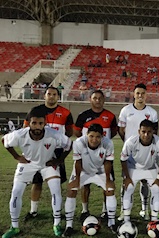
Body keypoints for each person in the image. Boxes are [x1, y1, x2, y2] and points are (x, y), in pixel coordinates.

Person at [2, 107, 72, 238]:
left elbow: (69, 144)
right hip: (28, 164)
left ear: (45, 123)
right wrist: (17, 157)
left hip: (47, 164)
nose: (37, 126)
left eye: (40, 123)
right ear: (29, 123)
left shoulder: (54, 134)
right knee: (16, 192)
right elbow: (5, 142)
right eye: (34, 123)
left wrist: (59, 160)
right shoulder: (20, 134)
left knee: (56, 190)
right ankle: (14, 226)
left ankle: (56, 224)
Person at [23, 86, 74, 221]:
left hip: (56, 151)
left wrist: (60, 148)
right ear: (44, 96)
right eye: (49, 94)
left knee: (56, 183)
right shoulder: (35, 111)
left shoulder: (65, 113)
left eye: (54, 94)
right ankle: (33, 211)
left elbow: (69, 132)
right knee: (37, 181)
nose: (51, 96)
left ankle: (56, 211)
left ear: (58, 97)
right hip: (37, 150)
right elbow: (25, 128)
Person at [62, 123, 117, 237]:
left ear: (102, 136)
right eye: (91, 136)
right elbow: (78, 162)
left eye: (97, 137)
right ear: (86, 134)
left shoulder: (108, 143)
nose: (94, 139)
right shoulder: (79, 143)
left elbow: (108, 162)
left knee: (110, 189)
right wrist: (77, 179)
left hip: (100, 170)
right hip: (83, 170)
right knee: (72, 190)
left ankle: (112, 223)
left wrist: (107, 180)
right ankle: (69, 226)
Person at [73, 89, 118, 220]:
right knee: (85, 184)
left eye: (100, 98)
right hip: (86, 156)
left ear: (104, 100)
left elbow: (113, 132)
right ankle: (85, 210)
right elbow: (77, 132)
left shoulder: (110, 116)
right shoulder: (83, 115)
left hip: (104, 157)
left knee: (107, 183)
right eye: (95, 98)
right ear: (90, 100)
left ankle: (105, 210)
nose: (97, 100)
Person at [118, 83, 158, 221]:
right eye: (138, 93)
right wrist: (130, 143)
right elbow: (121, 130)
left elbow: (155, 132)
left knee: (145, 182)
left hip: (147, 153)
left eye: (143, 93)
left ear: (146, 95)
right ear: (134, 94)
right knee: (126, 182)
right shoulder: (125, 110)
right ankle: (124, 211)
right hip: (130, 153)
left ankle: (144, 209)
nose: (140, 96)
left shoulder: (152, 113)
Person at [121, 119, 159, 222]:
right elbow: (123, 160)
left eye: (149, 132)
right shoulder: (130, 142)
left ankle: (154, 220)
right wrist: (127, 177)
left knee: (156, 190)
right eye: (143, 131)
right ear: (139, 131)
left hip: (151, 168)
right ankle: (126, 220)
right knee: (128, 189)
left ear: (153, 132)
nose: (146, 135)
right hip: (134, 168)